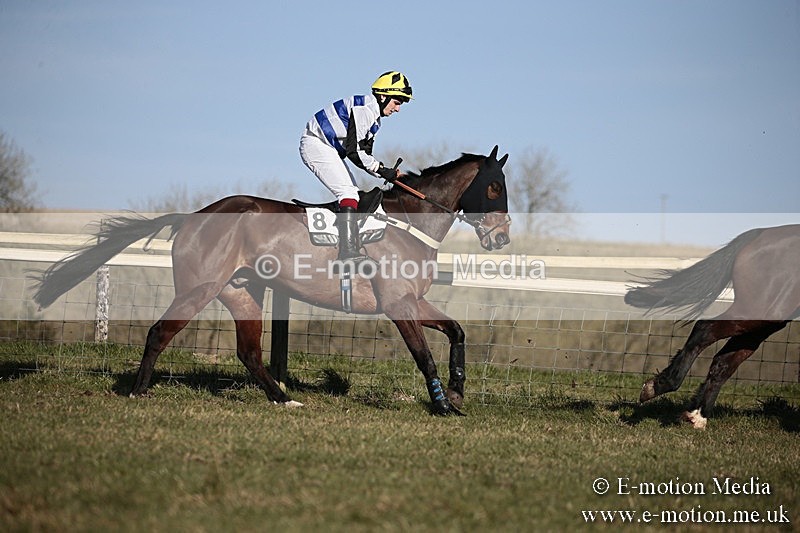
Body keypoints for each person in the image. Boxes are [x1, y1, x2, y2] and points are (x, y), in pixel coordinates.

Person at [299, 71, 412, 261]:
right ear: (383, 96)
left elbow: (364, 156)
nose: (398, 109)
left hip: (329, 148)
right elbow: (355, 153)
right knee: (348, 194)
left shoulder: (375, 119)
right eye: (397, 102)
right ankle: (347, 252)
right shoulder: (365, 109)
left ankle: (340, 239)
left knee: (354, 195)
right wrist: (384, 171)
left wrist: (385, 173)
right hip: (317, 144)